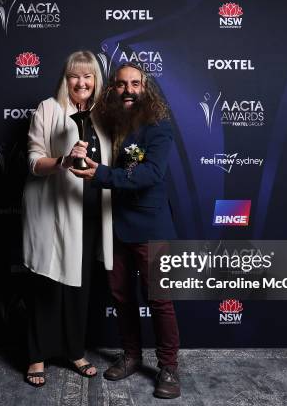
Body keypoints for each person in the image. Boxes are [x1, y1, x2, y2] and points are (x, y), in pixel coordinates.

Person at [70, 63, 181, 399]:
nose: (128, 90)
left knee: (160, 301)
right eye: (121, 84)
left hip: (151, 228)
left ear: (144, 88)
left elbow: (150, 174)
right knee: (121, 297)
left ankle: (169, 367)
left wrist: (101, 175)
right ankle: (132, 355)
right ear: (112, 89)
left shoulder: (158, 127)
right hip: (115, 227)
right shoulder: (110, 124)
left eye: (135, 83)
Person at [21, 51, 113, 387]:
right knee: (46, 283)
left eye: (88, 76)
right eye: (75, 75)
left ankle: (75, 350)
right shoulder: (49, 108)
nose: (82, 82)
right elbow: (32, 161)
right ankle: (36, 356)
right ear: (66, 79)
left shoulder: (103, 117)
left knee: (79, 285)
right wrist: (62, 160)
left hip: (87, 212)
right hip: (50, 211)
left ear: (96, 81)